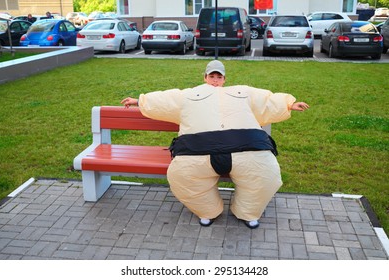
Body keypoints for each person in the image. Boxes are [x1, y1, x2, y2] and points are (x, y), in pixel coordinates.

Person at [121, 60, 309, 229]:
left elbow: (265, 101)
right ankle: (208, 210)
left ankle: (248, 212)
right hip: (197, 153)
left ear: (224, 79)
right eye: (212, 76)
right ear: (205, 78)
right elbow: (166, 101)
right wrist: (139, 101)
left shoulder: (242, 92)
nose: (215, 80)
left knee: (265, 175)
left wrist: (288, 104)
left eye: (219, 77)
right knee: (182, 177)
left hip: (246, 150)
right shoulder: (189, 95)